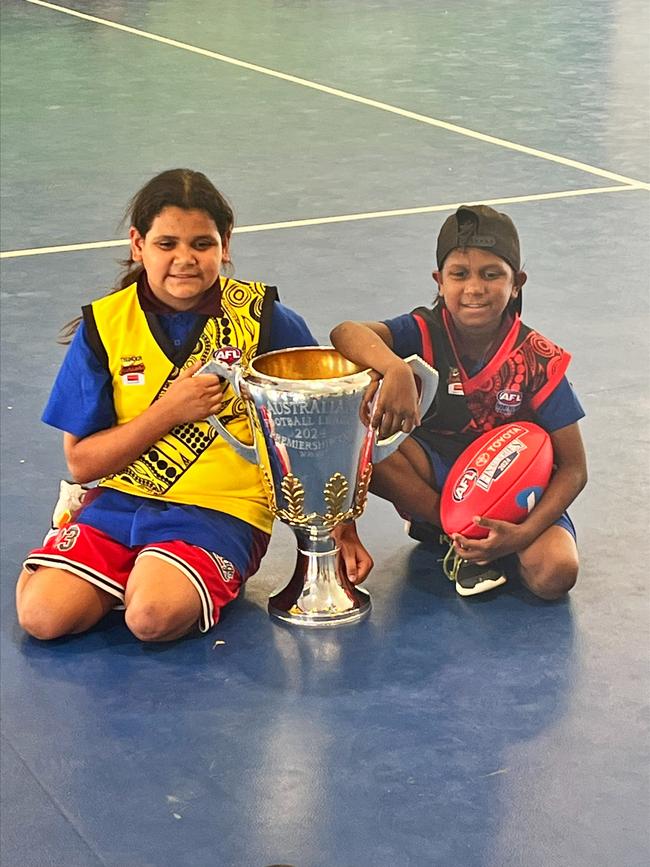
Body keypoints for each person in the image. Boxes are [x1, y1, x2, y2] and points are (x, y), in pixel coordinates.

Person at [16, 168, 373, 642]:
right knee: (41, 618)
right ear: (137, 244)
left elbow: (322, 421)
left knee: (151, 618)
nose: (185, 259)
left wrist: (340, 529)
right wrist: (169, 410)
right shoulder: (104, 325)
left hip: (221, 511)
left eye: (201, 244)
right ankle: (105, 555)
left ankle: (145, 574)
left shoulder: (263, 318)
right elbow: (82, 462)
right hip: (123, 499)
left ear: (225, 244)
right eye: (167, 244)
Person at [330, 205, 587, 600]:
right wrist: (394, 368)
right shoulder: (422, 330)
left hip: (516, 490)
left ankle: (487, 544)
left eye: (491, 274)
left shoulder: (538, 358)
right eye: (459, 274)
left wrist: (524, 533)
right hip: (437, 478)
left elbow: (573, 468)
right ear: (439, 281)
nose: (474, 288)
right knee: (368, 444)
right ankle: (457, 537)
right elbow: (345, 332)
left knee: (555, 575)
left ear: (516, 283)